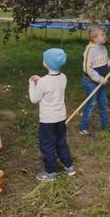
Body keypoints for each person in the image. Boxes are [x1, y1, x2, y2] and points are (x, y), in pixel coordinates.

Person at [29, 48, 76, 181]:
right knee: (61, 142)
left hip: (48, 120)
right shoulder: (63, 77)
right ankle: (69, 167)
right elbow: (52, 86)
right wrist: (40, 80)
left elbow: (34, 99)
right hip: (60, 117)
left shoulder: (44, 82)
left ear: (47, 63)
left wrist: (32, 85)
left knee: (48, 145)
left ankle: (50, 173)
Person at [79, 26, 110, 136]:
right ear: (95, 38)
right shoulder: (90, 50)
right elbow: (87, 69)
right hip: (91, 81)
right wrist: (100, 79)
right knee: (91, 103)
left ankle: (105, 125)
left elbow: (107, 61)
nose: (104, 36)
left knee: (103, 102)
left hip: (101, 81)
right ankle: (83, 127)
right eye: (102, 35)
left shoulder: (103, 48)